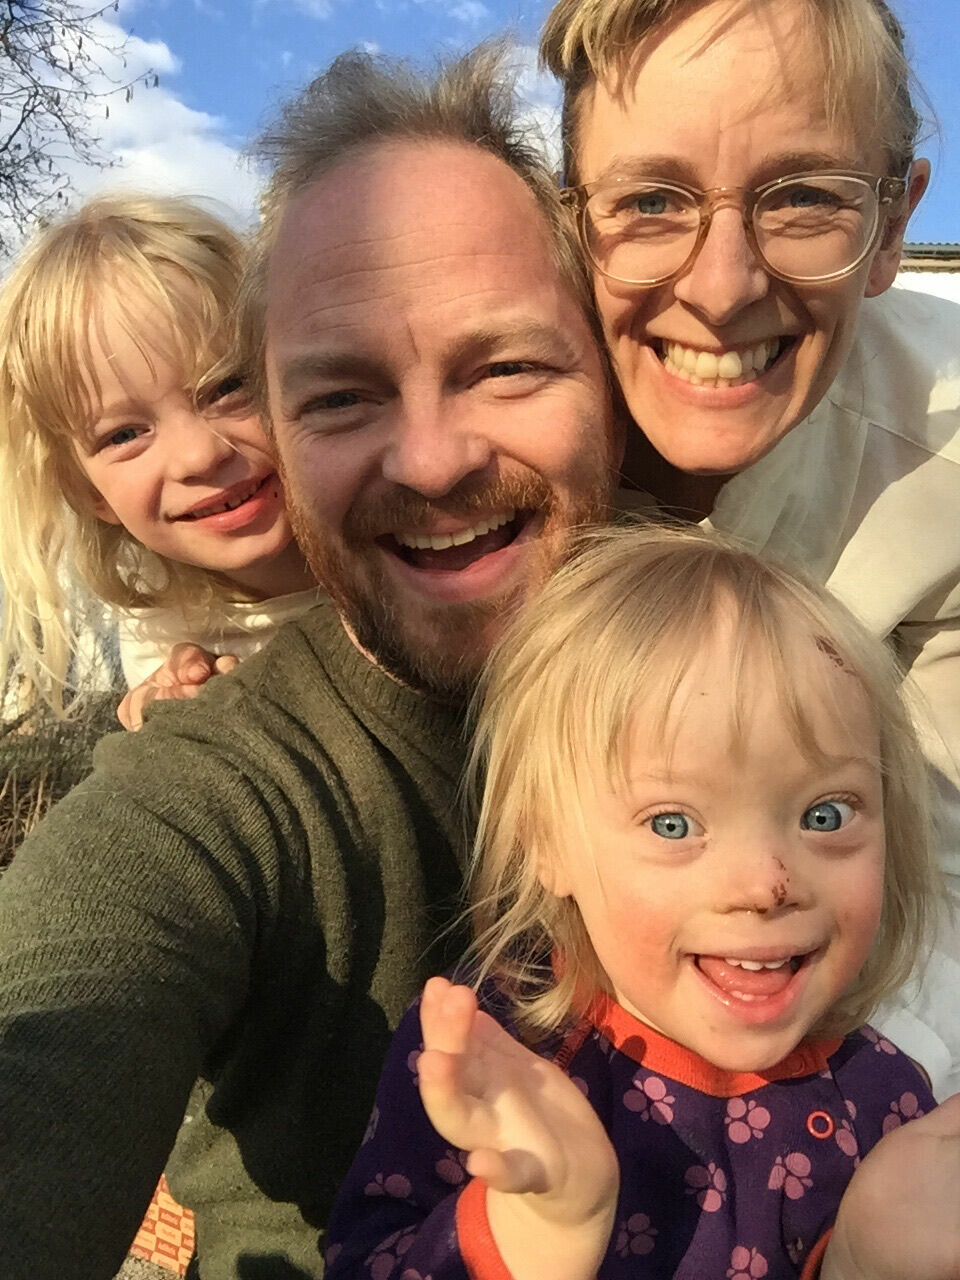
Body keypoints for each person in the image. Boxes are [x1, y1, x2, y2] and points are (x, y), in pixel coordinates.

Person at [0, 48, 620, 1280]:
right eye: (342, 395)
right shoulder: (208, 775)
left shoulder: (726, 630)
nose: (433, 461)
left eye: (505, 364)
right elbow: (75, 991)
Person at [324, 523, 960, 1280]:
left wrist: (866, 1256)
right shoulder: (497, 1061)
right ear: (545, 842)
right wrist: (537, 1228)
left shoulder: (887, 1096)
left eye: (824, 815)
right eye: (673, 824)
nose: (765, 886)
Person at [540, 0, 960, 1096]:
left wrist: (823, 1136)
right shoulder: (499, 418)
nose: (721, 289)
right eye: (649, 200)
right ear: (570, 219)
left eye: (806, 196)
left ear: (892, 225)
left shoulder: (949, 465)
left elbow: (946, 902)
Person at [0, 194, 319, 731]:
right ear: (89, 494)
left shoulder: (411, 539)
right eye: (124, 435)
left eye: (227, 386)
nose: (201, 454)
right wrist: (173, 720)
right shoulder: (160, 627)